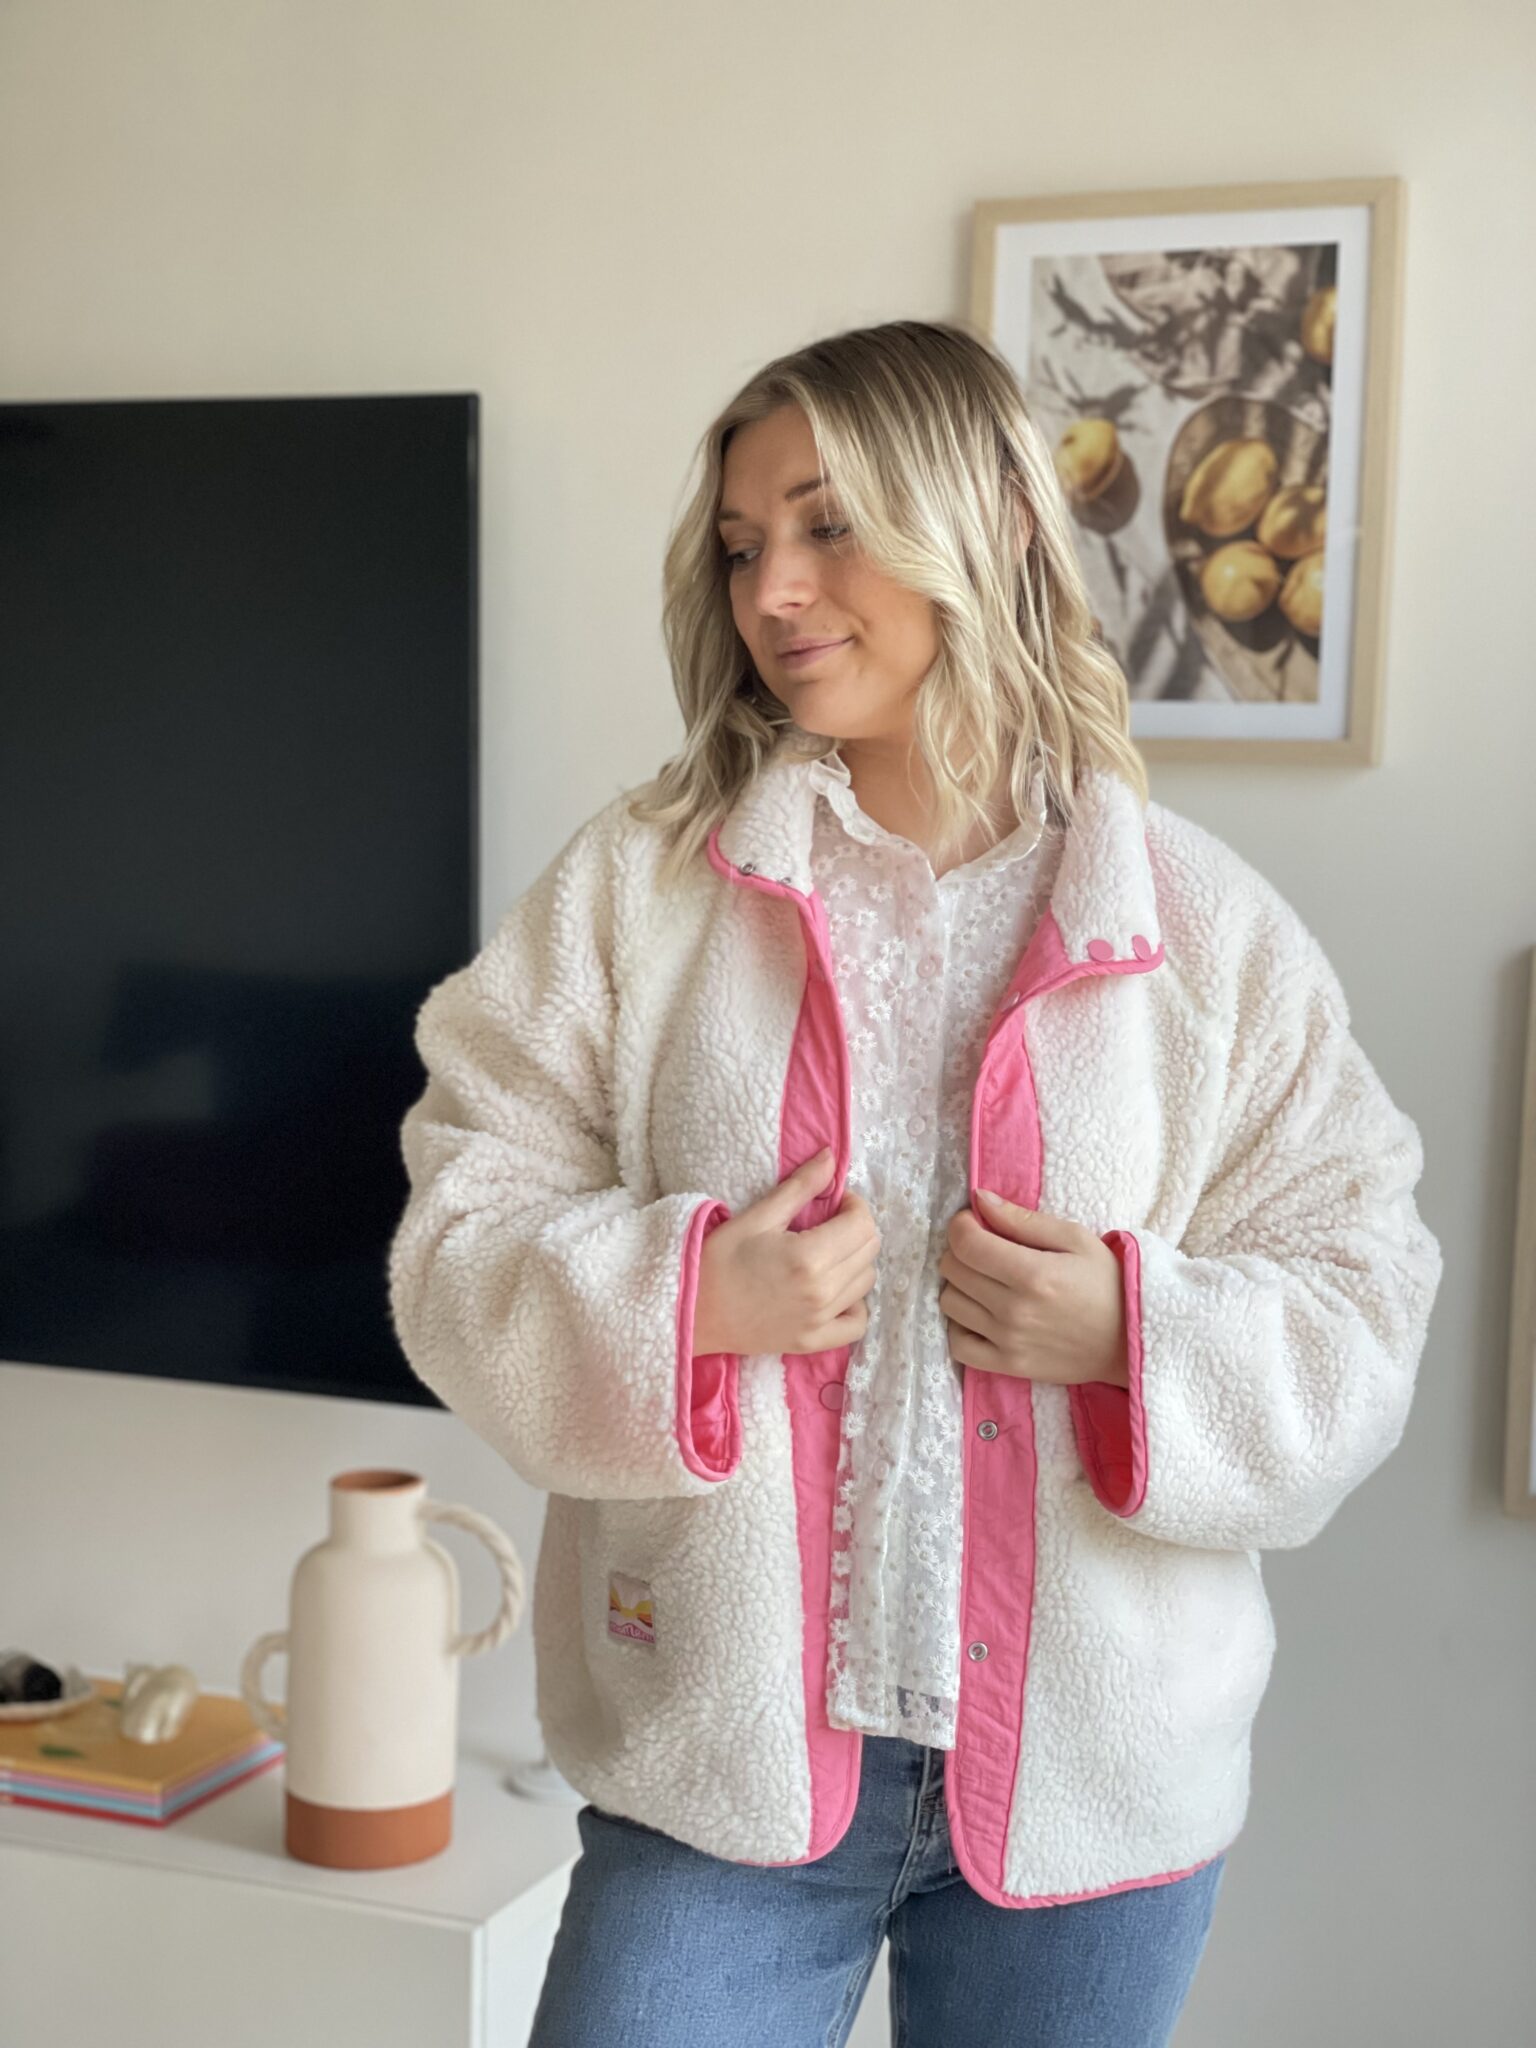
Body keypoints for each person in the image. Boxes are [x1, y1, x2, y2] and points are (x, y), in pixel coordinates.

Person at [386, 319, 1443, 2046]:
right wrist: (693, 1297)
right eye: (744, 546)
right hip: (719, 1772)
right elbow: (458, 1227)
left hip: (1093, 1803)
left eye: (829, 526)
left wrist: (1134, 1332)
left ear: (994, 523)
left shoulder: (1206, 933)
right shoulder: (640, 893)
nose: (774, 592)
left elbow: (1365, 1300)